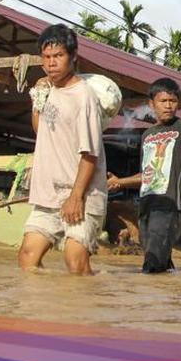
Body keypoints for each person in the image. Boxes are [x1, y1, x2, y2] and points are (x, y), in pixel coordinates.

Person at [17, 24, 108, 276]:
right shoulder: (47, 91)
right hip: (48, 193)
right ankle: (42, 309)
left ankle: (86, 307)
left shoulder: (83, 96)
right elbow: (41, 130)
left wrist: (75, 197)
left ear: (73, 56)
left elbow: (90, 154)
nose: (51, 63)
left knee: (75, 262)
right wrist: (38, 99)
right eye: (46, 58)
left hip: (82, 193)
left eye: (58, 56)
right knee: (27, 257)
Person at [107, 77, 181, 273]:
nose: (168, 106)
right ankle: (170, 296)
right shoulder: (147, 135)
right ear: (151, 104)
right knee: (157, 260)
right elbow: (148, 174)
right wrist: (119, 182)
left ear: (179, 103)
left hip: (170, 206)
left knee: (152, 263)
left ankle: (146, 301)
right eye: (163, 101)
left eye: (173, 101)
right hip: (146, 206)